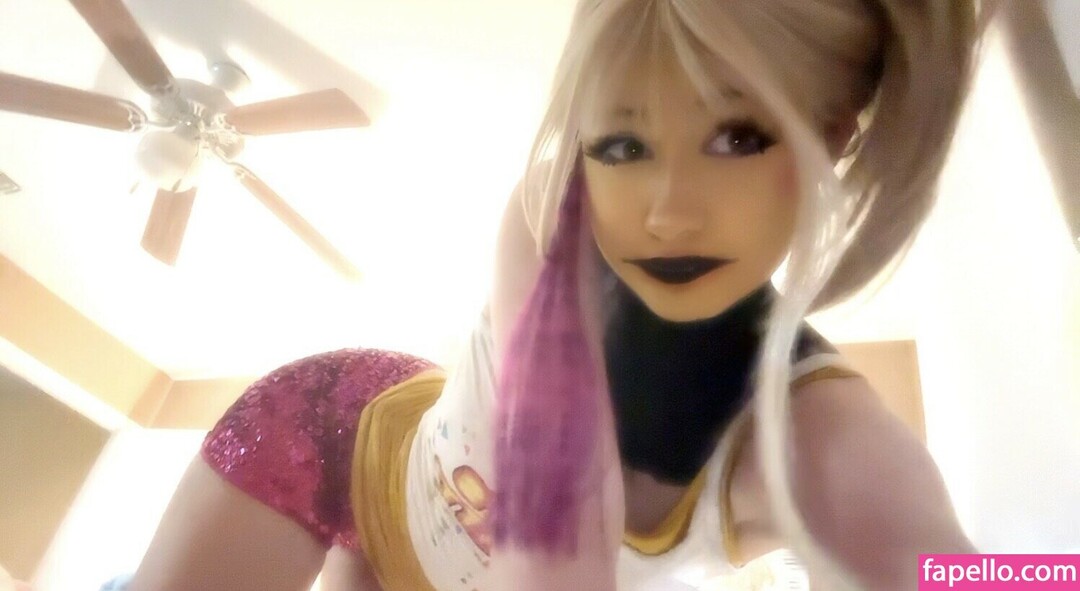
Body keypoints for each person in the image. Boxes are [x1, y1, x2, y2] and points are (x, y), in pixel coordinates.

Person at [126, 1, 1074, 590]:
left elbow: (957, 571)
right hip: (337, 439)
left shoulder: (831, 446)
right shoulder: (554, 212)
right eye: (621, 140)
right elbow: (557, 534)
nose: (664, 211)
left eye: (737, 136)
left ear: (829, 139)